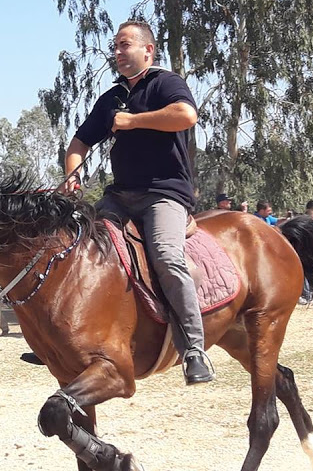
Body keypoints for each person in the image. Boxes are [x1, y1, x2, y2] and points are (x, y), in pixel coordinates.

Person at [62, 21, 212, 385]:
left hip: (165, 193)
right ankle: (64, 338)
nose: (117, 52)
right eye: (114, 46)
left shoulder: (166, 83)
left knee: (165, 255)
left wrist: (132, 121)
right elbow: (79, 143)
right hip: (120, 195)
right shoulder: (111, 98)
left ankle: (194, 348)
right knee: (78, 247)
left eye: (124, 45)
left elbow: (186, 115)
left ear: (147, 50)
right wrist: (72, 174)